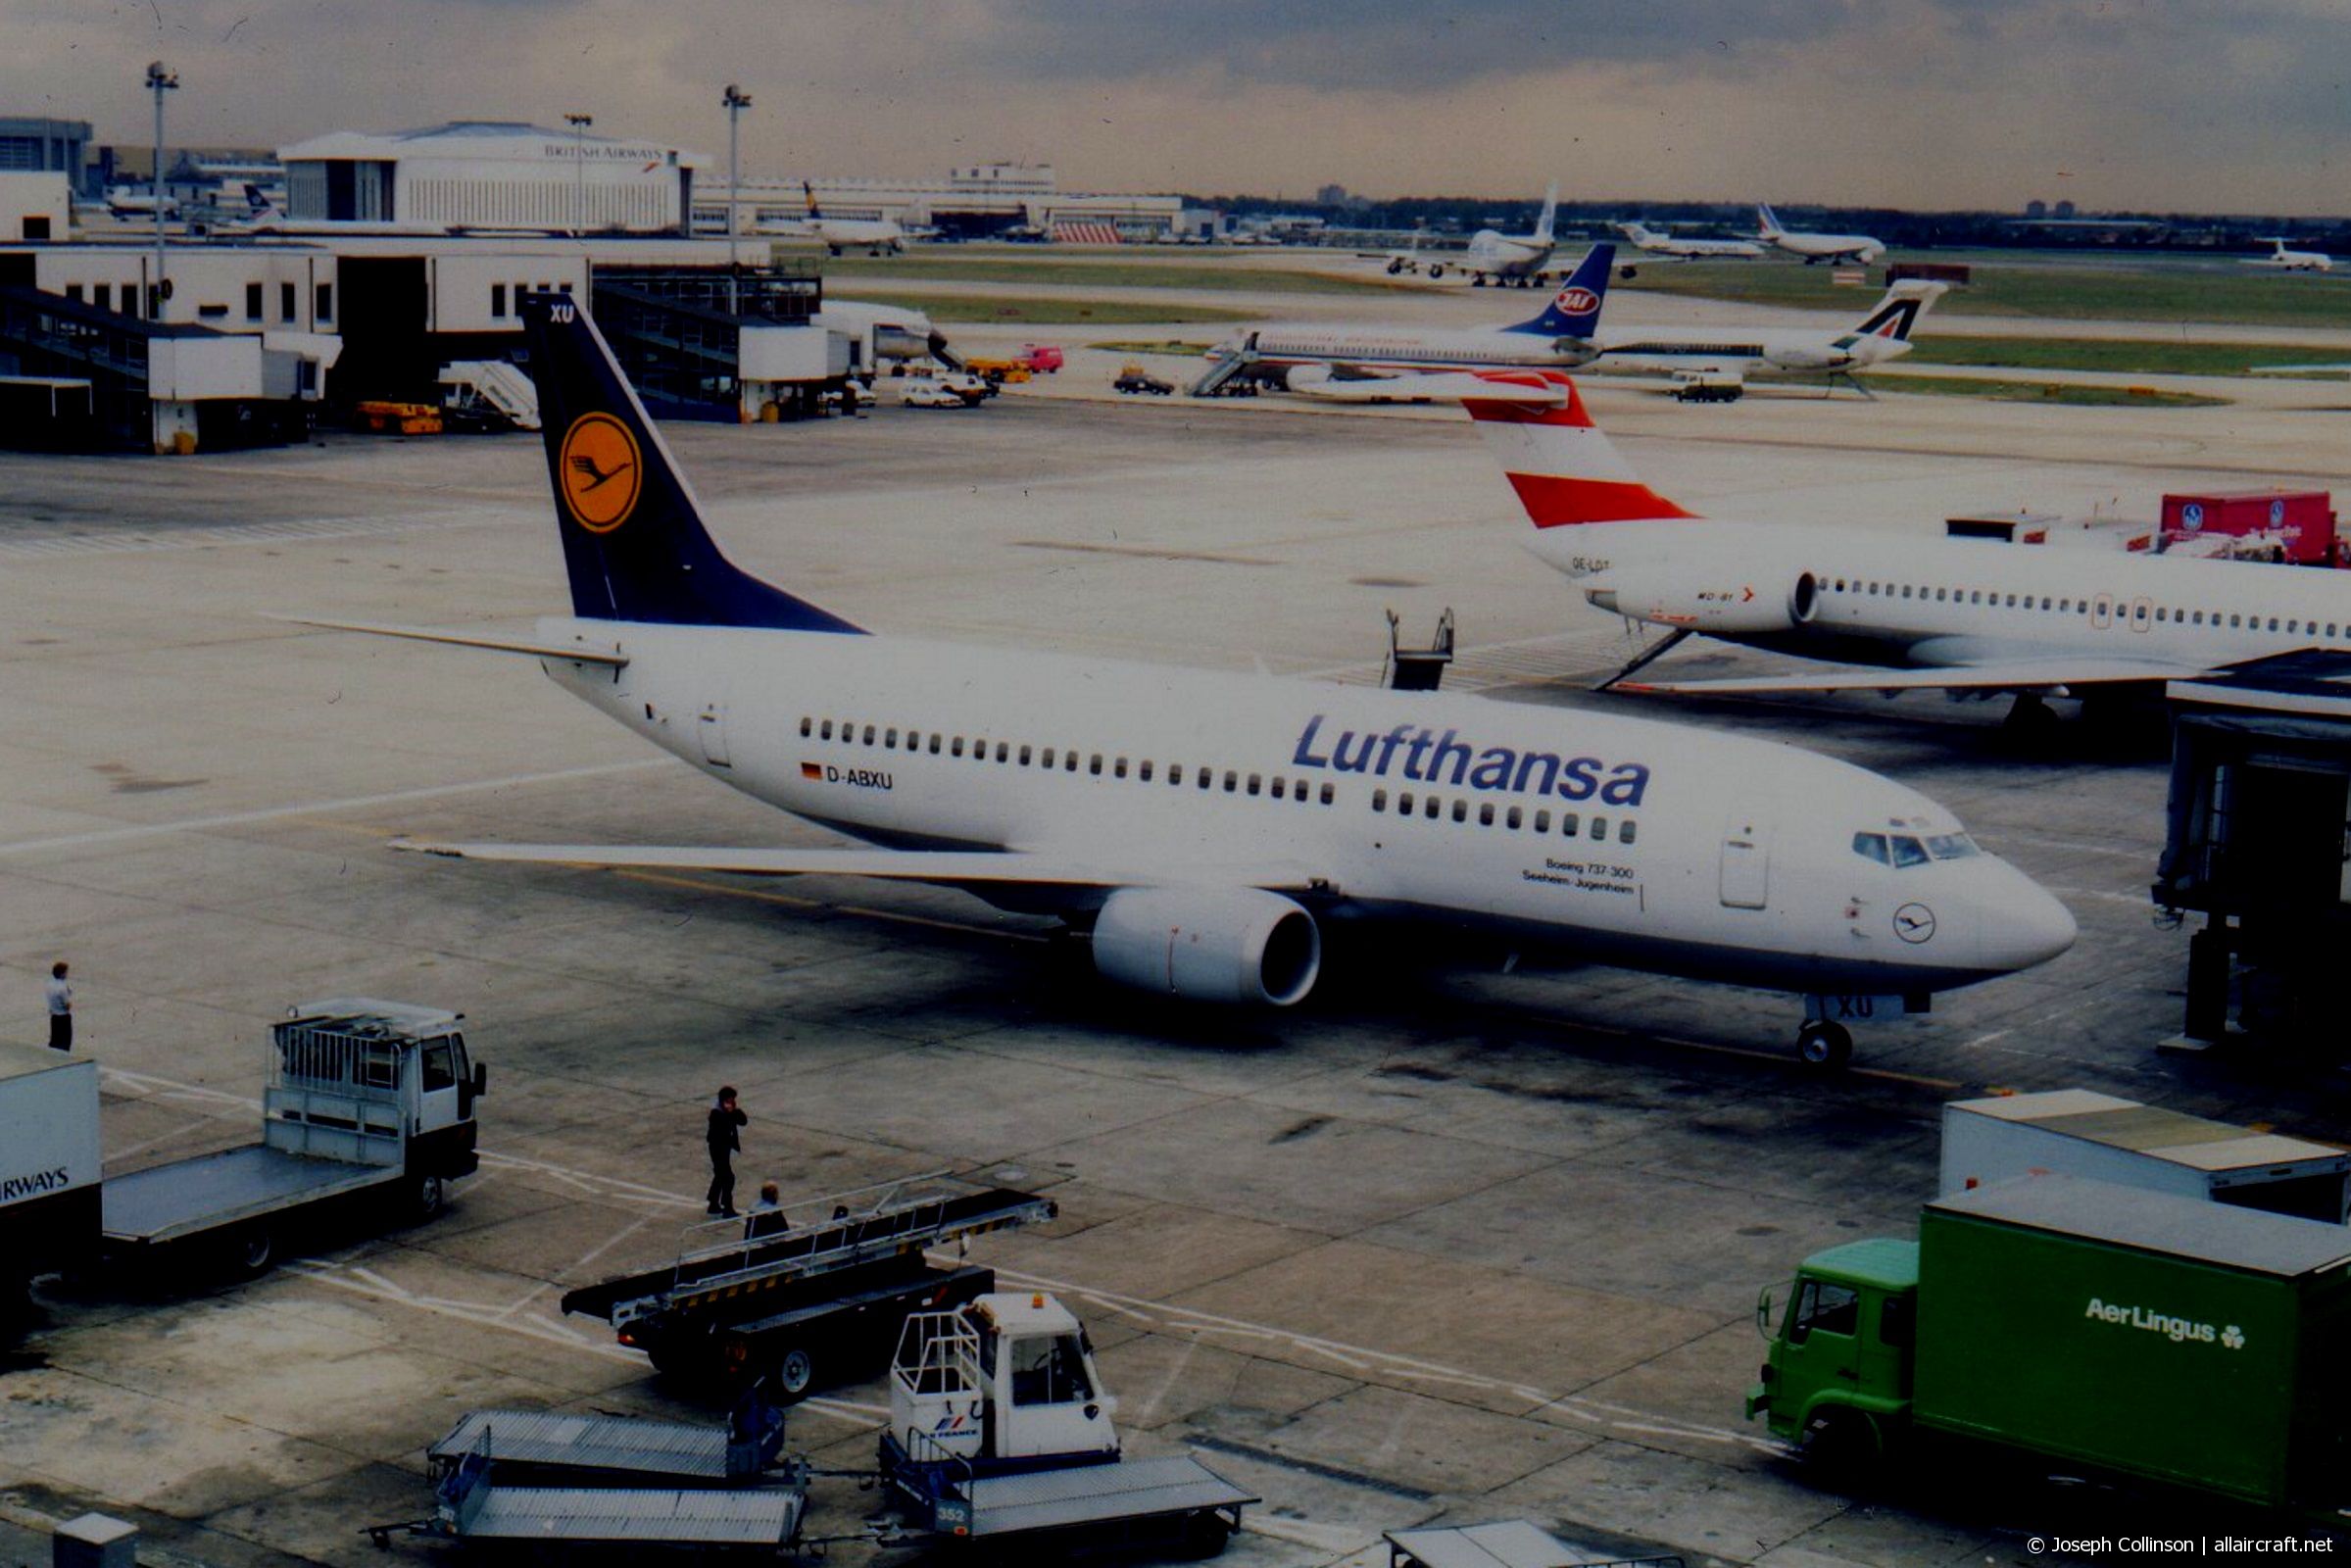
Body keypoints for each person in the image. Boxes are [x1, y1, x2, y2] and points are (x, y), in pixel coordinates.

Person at [706, 1086, 747, 1217]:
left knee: (720, 1176)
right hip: (717, 1149)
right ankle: (727, 1207)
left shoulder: (729, 1111)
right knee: (728, 1177)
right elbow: (722, 1129)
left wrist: (734, 1110)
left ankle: (713, 1203)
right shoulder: (716, 1113)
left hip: (725, 1148)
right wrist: (729, 1113)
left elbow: (743, 1121)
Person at [44, 961, 72, 1053]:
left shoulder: (49, 984)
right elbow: (67, 1005)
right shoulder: (62, 988)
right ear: (62, 973)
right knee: (65, 1040)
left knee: (55, 1039)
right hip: (63, 1016)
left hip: (54, 1015)